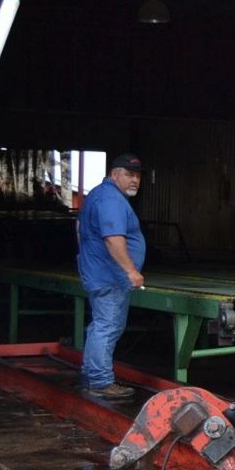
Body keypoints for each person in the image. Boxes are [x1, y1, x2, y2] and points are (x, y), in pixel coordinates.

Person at [77, 153, 147, 398]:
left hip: (100, 272)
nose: (135, 180)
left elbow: (80, 231)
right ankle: (100, 382)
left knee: (102, 326)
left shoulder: (99, 195)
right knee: (107, 326)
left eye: (137, 176)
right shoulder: (111, 201)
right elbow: (113, 237)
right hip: (110, 276)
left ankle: (92, 376)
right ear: (114, 174)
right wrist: (130, 270)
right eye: (129, 175)